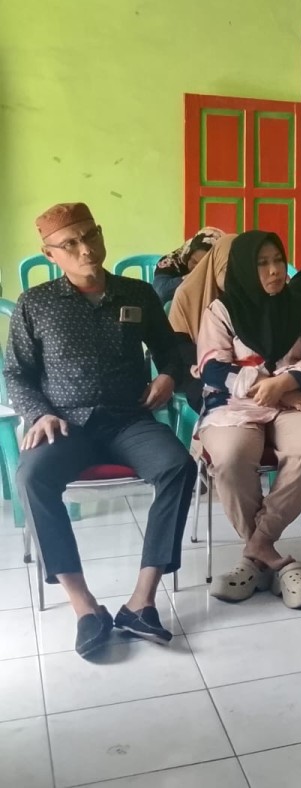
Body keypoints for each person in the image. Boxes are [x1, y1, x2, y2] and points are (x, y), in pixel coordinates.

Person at [5, 203, 196, 658]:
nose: (85, 248)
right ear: (51, 254)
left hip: (127, 419)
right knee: (32, 478)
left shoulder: (138, 294)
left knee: (178, 467)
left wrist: (168, 376)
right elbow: (16, 373)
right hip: (65, 424)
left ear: (102, 234)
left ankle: (141, 602)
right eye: (69, 243)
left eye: (89, 235)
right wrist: (39, 413)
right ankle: (84, 606)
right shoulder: (37, 304)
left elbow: (172, 351)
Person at [196, 231, 301, 608]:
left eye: (278, 260)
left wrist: (288, 381)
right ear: (242, 269)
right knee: (230, 456)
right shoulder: (221, 311)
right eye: (262, 263)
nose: (275, 271)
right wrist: (273, 387)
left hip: (295, 401)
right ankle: (274, 559)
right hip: (235, 404)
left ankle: (257, 548)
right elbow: (212, 368)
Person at [168, 233, 236, 412]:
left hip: (246, 368)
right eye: (228, 268)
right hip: (196, 368)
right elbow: (179, 344)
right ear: (216, 264)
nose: (235, 276)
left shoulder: (250, 294)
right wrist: (212, 363)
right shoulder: (186, 293)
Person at [152, 226, 225, 304]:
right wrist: (192, 277)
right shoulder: (171, 262)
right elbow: (161, 292)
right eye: (193, 261)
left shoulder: (223, 265)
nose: (196, 268)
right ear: (189, 254)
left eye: (203, 265)